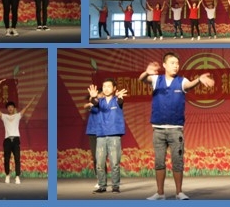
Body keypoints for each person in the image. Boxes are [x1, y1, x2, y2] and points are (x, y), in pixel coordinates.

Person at [139, 52, 214, 200]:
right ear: (165, 65)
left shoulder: (181, 81)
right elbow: (142, 79)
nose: (176, 66)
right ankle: (160, 193)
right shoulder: (156, 79)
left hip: (175, 130)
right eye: (172, 63)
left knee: (177, 162)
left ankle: (179, 192)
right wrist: (146, 72)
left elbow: (189, 85)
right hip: (158, 130)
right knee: (159, 163)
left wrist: (199, 79)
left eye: (177, 63)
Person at [88, 80, 127, 194]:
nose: (106, 88)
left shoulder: (117, 100)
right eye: (104, 86)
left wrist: (119, 97)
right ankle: (102, 186)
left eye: (109, 86)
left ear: (114, 88)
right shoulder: (99, 101)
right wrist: (92, 97)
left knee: (114, 162)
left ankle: (115, 186)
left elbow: (121, 101)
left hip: (114, 135)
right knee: (99, 163)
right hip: (101, 135)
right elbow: (94, 102)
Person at [0, 96, 36, 184]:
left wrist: (32, 100)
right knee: (6, 159)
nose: (10, 108)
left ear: (14, 108)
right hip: (7, 140)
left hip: (16, 140)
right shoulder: (4, 116)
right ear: (7, 109)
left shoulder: (17, 116)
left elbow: (26, 108)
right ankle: (7, 175)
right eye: (9, 107)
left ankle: (17, 177)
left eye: (12, 107)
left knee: (17, 159)